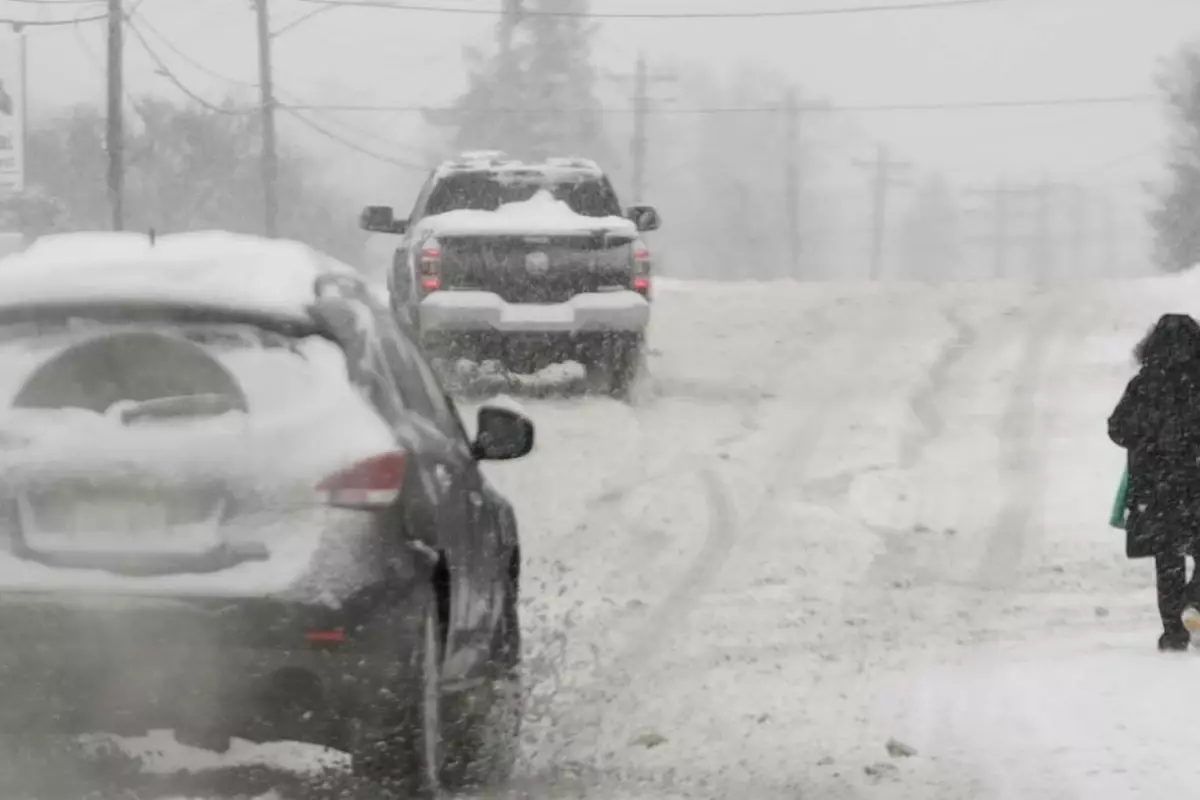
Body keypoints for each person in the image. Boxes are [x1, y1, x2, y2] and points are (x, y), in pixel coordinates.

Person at [1108, 313, 1200, 651]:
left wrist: (1146, 441)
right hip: (1195, 481)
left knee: (1168, 559)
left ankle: (1174, 632)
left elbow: (1117, 428)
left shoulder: (1144, 383)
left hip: (1154, 488)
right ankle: (1196, 602)